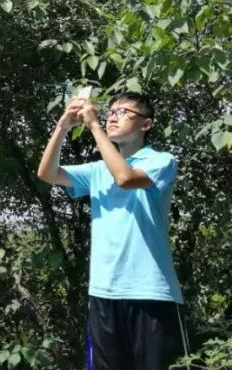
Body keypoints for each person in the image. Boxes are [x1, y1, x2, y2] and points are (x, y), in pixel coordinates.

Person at [37, 90, 188, 370]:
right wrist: (62, 126)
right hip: (104, 293)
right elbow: (47, 173)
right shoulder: (96, 170)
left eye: (123, 112)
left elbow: (125, 178)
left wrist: (94, 125)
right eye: (111, 112)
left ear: (146, 124)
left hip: (152, 293)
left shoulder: (160, 161)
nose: (113, 117)